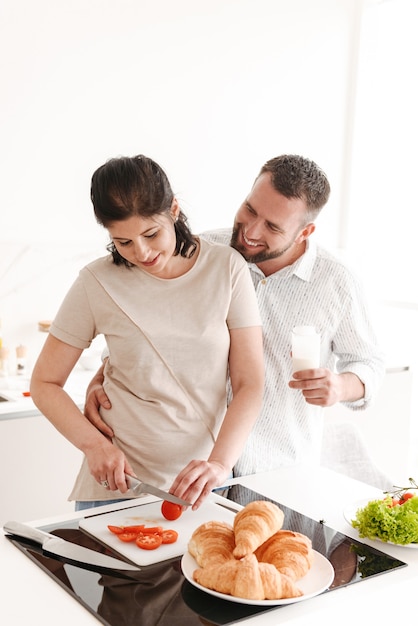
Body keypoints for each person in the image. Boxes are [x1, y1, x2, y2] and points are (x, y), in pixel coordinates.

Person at [84, 154, 385, 481]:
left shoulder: (336, 282)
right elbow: (145, 329)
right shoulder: (199, 251)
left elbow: (369, 362)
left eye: (272, 226)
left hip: (278, 470)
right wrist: (104, 374)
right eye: (250, 209)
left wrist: (340, 386)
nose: (251, 231)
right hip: (193, 470)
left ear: (304, 231)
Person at [30, 154, 264, 510]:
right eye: (123, 242)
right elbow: (44, 383)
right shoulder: (96, 281)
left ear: (173, 209)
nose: (141, 252)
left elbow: (250, 382)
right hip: (116, 489)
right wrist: (94, 446)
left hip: (202, 488)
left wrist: (220, 463)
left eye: (151, 234)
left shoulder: (226, 268)